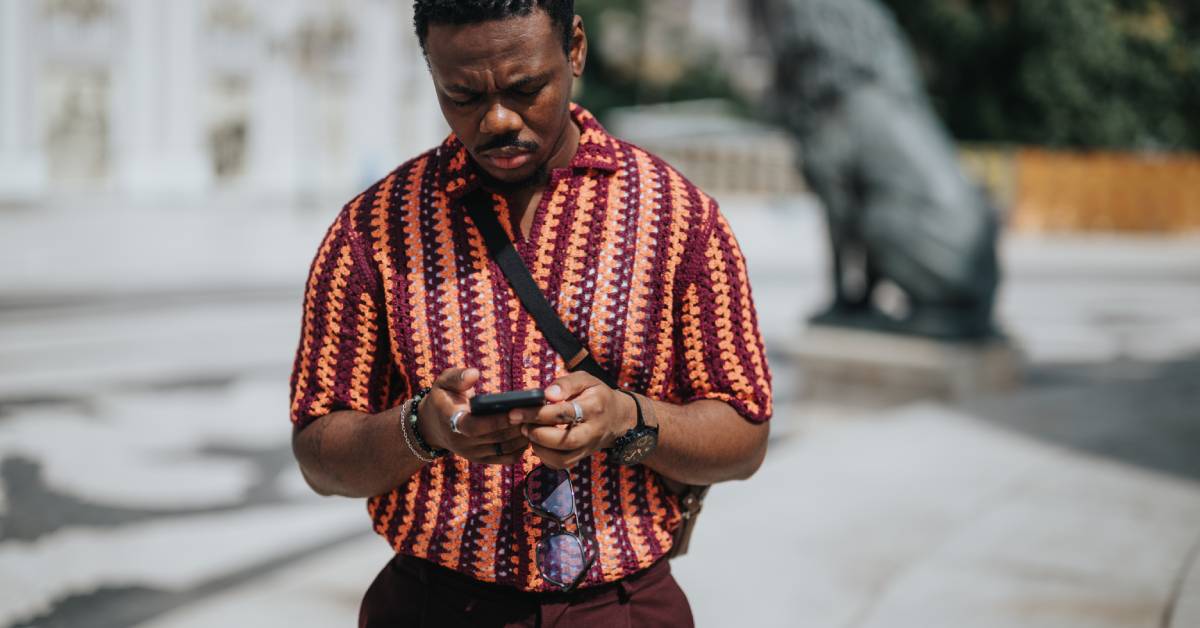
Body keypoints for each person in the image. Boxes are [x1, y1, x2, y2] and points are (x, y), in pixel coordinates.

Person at [289, 1, 773, 626]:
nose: (495, 120)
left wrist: (627, 420)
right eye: (461, 94)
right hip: (432, 605)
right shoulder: (372, 232)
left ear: (574, 49)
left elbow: (745, 435)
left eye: (524, 89)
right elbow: (318, 451)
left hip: (620, 607)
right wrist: (422, 430)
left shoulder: (679, 219)